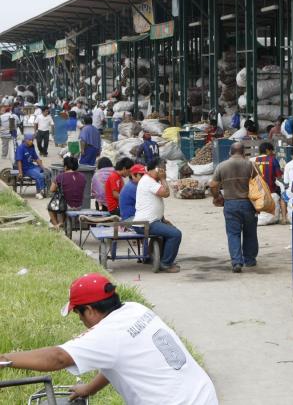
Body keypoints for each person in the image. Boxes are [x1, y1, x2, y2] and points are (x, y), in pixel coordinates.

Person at [0, 273, 218, 404]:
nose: (80, 319)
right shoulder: (135, 309)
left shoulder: (107, 334)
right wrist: (88, 389)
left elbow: (57, 358)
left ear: (90, 310)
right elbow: (115, 359)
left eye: (78, 313)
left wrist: (5, 358)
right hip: (201, 395)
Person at [209, 142, 260, 273]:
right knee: (250, 233)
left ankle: (237, 262)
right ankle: (249, 260)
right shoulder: (251, 165)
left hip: (230, 203)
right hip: (249, 204)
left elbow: (213, 185)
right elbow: (260, 185)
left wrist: (217, 197)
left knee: (233, 233)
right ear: (244, 152)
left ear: (230, 152)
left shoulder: (222, 166)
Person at [133, 159, 182, 273]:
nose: (164, 172)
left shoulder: (149, 180)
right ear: (157, 169)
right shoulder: (148, 181)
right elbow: (166, 193)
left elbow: (151, 204)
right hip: (147, 223)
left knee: (171, 231)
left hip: (151, 221)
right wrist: (163, 179)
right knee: (176, 234)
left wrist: (163, 219)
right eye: (162, 170)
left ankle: (163, 259)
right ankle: (165, 264)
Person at [48, 156, 86, 229]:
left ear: (65, 166)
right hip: (79, 206)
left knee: (50, 207)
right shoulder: (82, 176)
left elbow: (52, 189)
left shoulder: (60, 176)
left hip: (65, 206)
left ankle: (56, 226)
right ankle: (61, 222)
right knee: (64, 201)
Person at [15, 133, 46, 199]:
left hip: (32, 166)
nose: (31, 141)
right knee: (39, 175)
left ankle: (41, 190)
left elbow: (36, 158)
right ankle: (40, 192)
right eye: (30, 140)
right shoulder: (20, 148)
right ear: (25, 140)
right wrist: (20, 173)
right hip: (25, 169)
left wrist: (42, 167)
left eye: (32, 140)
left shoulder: (32, 147)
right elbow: (19, 161)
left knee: (45, 173)